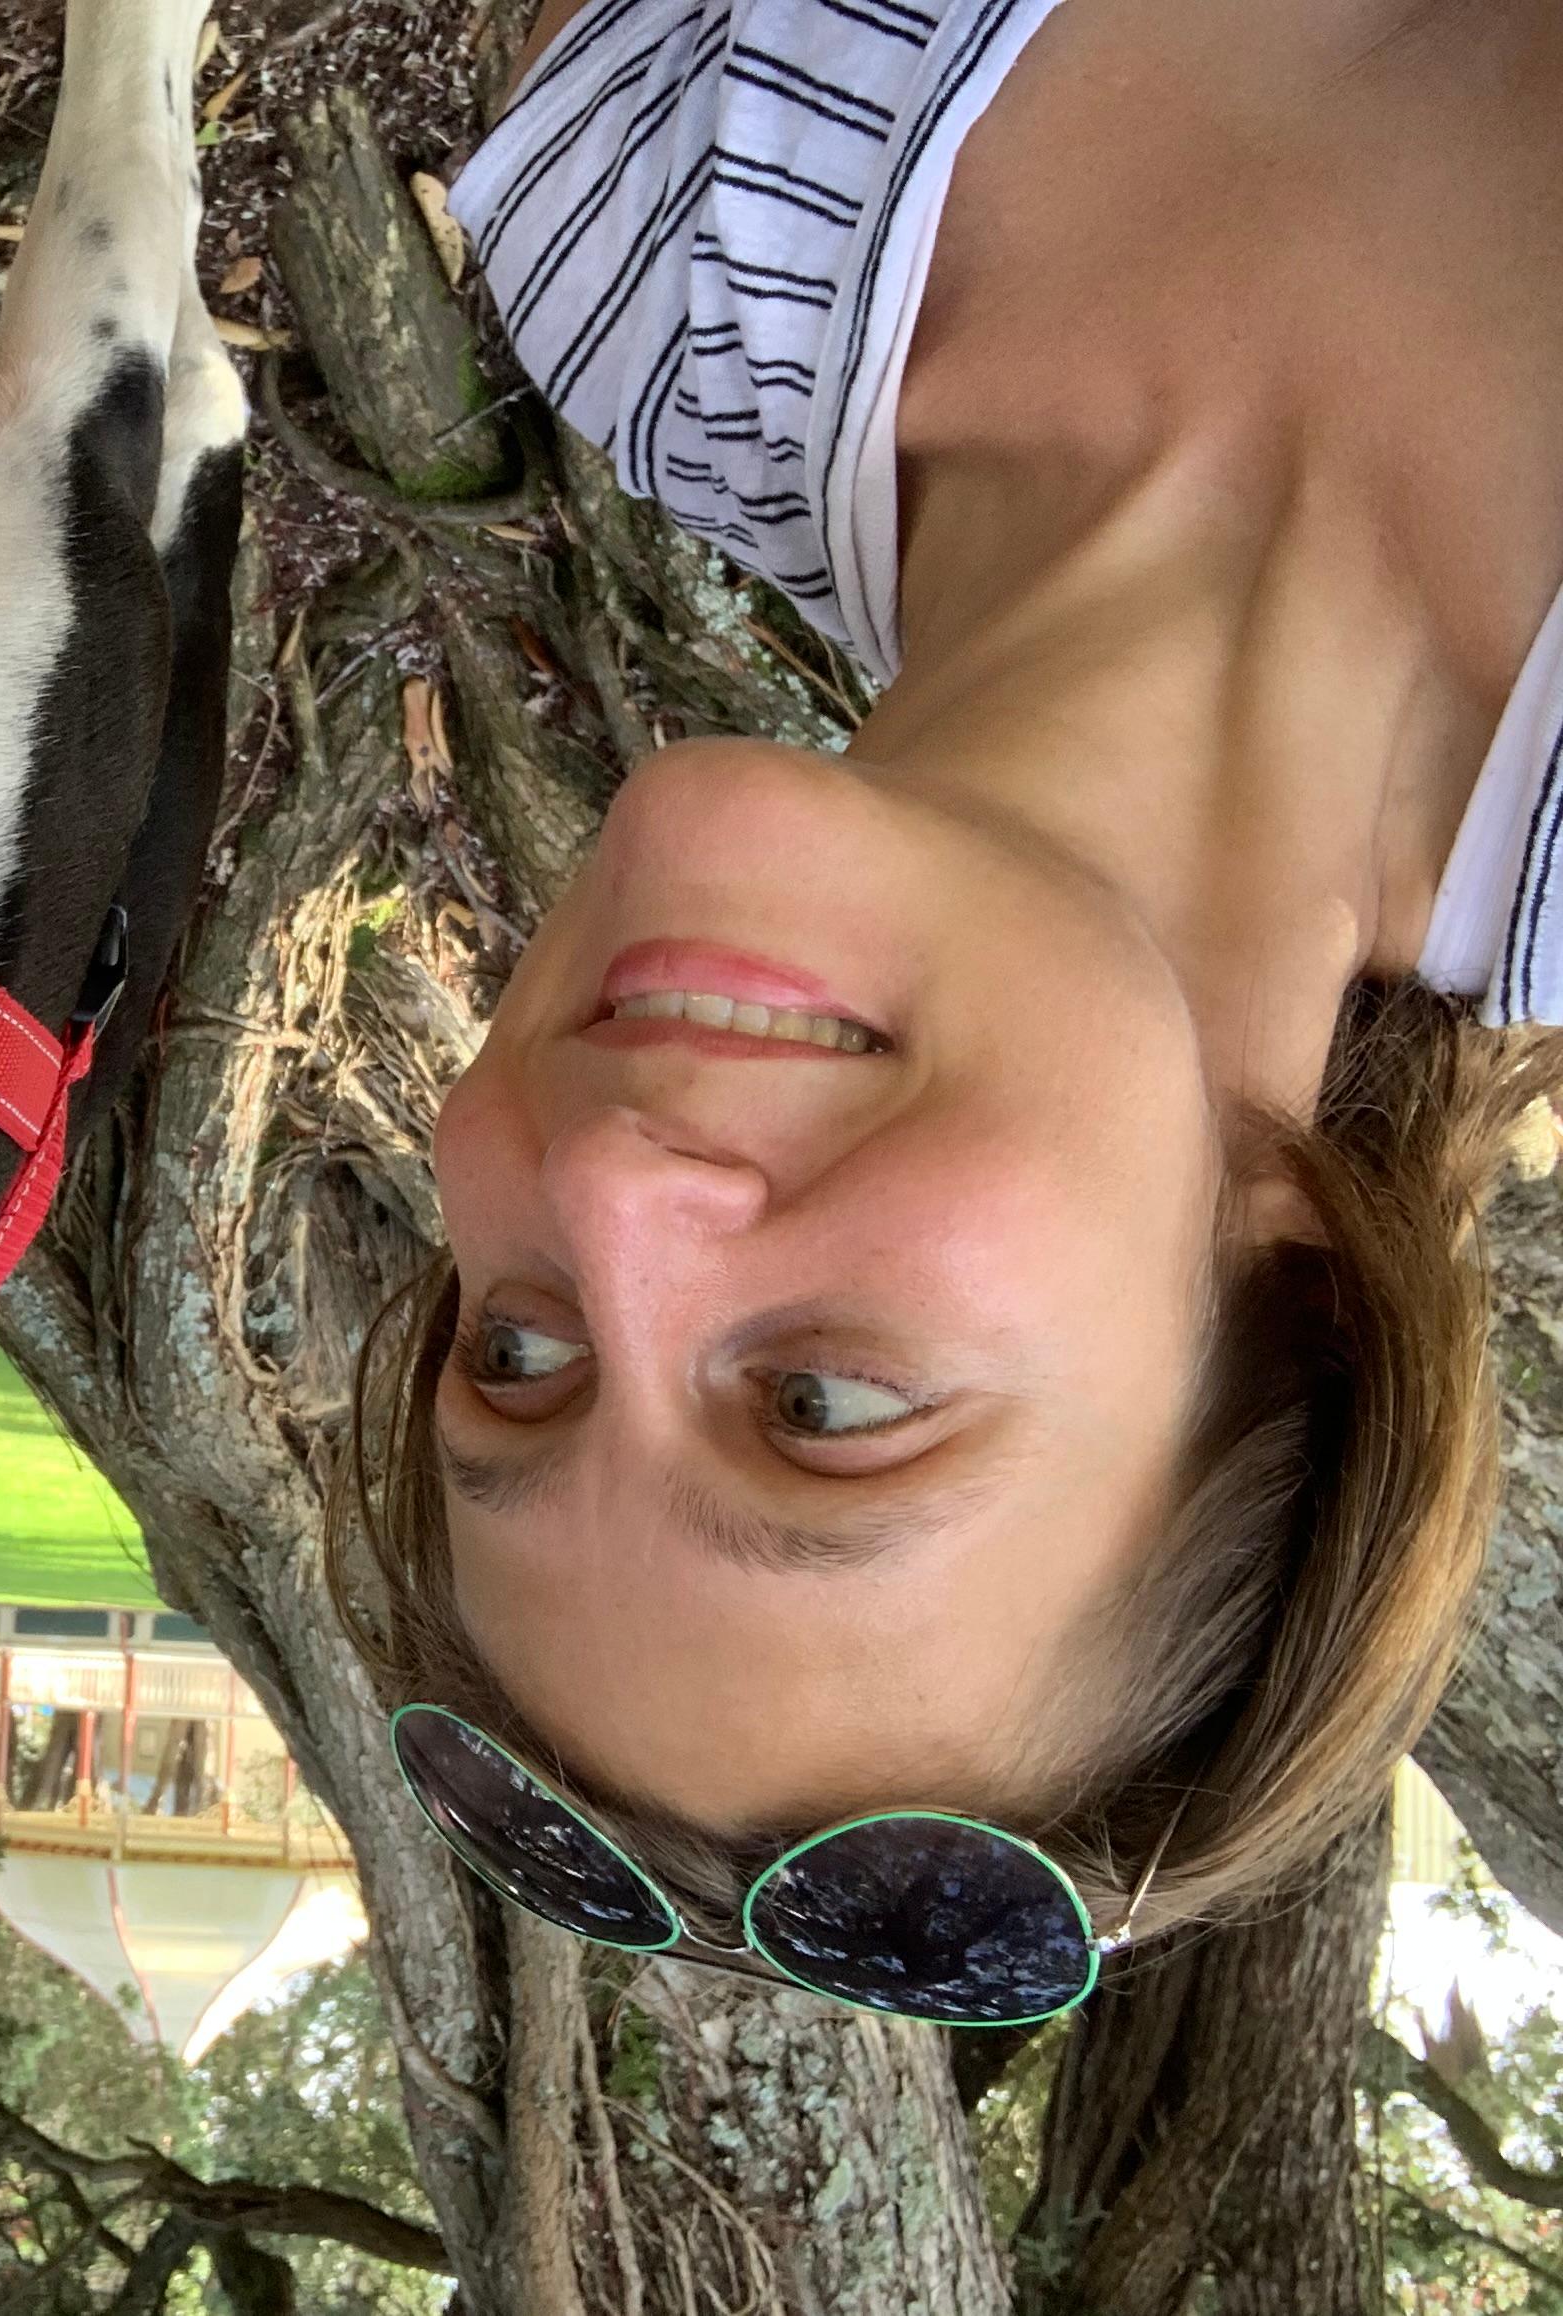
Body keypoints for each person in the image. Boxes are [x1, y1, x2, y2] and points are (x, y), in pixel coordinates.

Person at [334, 0, 1563, 2019]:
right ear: (1296, 1288)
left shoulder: (649, 239)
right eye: (824, 1409)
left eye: (520, 1349)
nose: (613, 1188)